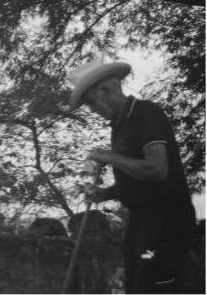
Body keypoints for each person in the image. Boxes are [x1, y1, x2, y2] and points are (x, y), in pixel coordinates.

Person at [68, 60, 196, 294]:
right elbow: (135, 178)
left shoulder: (145, 113)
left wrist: (109, 157)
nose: (92, 109)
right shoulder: (119, 126)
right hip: (142, 223)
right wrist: (104, 194)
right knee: (137, 284)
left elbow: (157, 170)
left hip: (166, 221)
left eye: (91, 102)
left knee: (156, 284)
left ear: (107, 89)